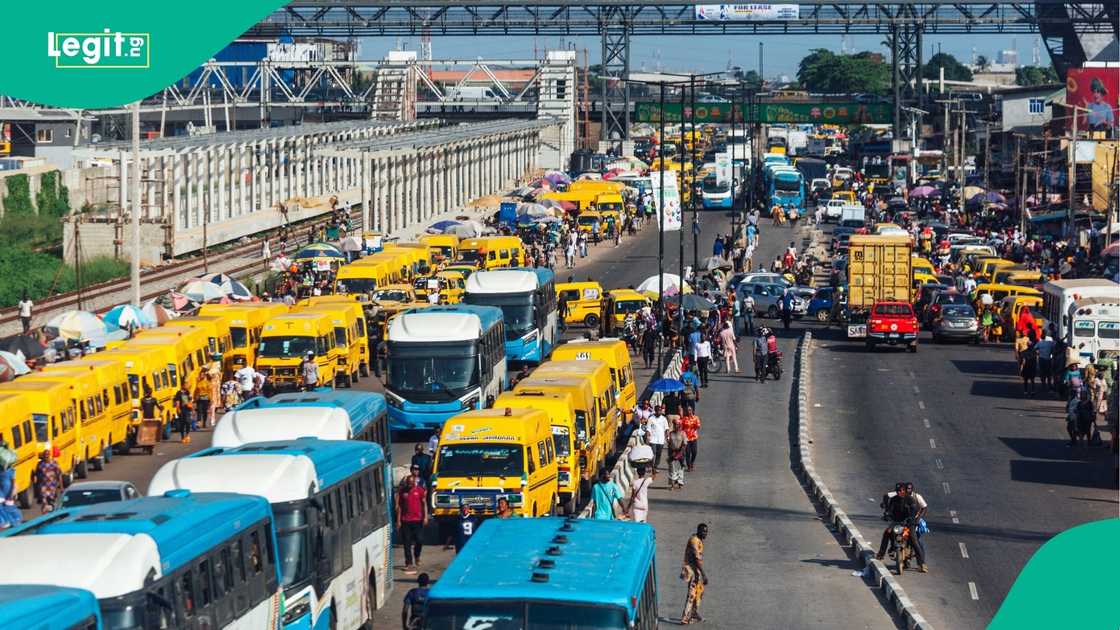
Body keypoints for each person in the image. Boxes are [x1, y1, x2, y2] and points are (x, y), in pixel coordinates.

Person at [876, 483, 927, 572]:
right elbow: (889, 510)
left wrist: (912, 519)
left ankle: (921, 564)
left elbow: (913, 510)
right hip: (896, 522)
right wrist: (887, 515)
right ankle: (880, 555)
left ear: (905, 491)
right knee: (887, 532)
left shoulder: (910, 500)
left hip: (908, 523)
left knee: (914, 540)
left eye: (902, 490)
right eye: (898, 491)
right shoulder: (893, 499)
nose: (900, 492)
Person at [395, 474, 428, 574]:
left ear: (414, 483)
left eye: (411, 483)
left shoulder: (419, 490)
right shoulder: (403, 492)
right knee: (407, 542)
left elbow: (424, 503)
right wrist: (398, 520)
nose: (409, 485)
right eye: (408, 483)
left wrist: (426, 517)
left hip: (418, 520)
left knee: (419, 539)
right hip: (406, 520)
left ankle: (417, 556)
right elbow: (399, 507)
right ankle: (408, 562)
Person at [681, 523, 709, 624]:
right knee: (691, 594)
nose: (705, 533)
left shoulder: (699, 540)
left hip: (697, 571)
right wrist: (704, 574)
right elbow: (697, 560)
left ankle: (694, 613)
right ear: (698, 531)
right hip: (692, 571)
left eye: (706, 532)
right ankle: (685, 617)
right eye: (703, 531)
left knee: (699, 592)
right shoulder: (694, 541)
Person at [646, 405, 669, 476]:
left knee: (659, 454)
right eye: (658, 410)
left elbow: (666, 429)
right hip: (653, 439)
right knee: (653, 453)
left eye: (660, 411)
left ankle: (655, 466)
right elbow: (648, 429)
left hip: (661, 440)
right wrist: (647, 437)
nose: (659, 412)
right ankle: (652, 466)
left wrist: (667, 437)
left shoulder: (664, 419)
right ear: (655, 411)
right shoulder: (651, 419)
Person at [667, 418, 687, 490]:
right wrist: (670, 455)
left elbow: (684, 444)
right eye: (675, 424)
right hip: (672, 452)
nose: (676, 426)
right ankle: (672, 484)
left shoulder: (683, 433)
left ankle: (680, 482)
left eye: (678, 424)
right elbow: (669, 444)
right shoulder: (670, 433)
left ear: (680, 425)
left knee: (680, 468)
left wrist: (680, 453)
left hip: (680, 452)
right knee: (672, 469)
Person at [680, 405, 701, 472]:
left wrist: (696, 425)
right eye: (688, 410)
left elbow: (698, 426)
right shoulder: (684, 419)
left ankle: (692, 462)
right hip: (686, 438)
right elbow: (681, 428)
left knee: (694, 452)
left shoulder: (696, 418)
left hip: (693, 437)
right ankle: (689, 466)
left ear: (692, 411)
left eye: (690, 410)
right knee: (687, 453)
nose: (689, 411)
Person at [1020, 330, 1039, 395]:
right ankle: (1033, 391)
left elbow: (1023, 362)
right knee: (1032, 380)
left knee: (1025, 380)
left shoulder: (1024, 352)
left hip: (1026, 367)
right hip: (1032, 367)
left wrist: (1021, 369)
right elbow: (1036, 360)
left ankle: (1025, 391)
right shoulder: (1035, 352)